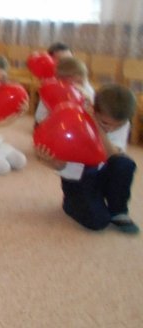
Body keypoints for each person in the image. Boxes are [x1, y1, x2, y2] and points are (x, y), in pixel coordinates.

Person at [35, 84, 138, 234]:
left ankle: (118, 211)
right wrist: (50, 161)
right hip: (79, 180)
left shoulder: (121, 122)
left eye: (118, 126)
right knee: (99, 222)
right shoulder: (77, 121)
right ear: (93, 110)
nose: (111, 129)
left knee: (125, 163)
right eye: (105, 123)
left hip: (103, 173)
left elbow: (113, 154)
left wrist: (98, 126)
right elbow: (63, 166)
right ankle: (71, 204)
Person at [34, 56, 95, 125]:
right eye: (74, 82)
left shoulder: (87, 89)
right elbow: (39, 117)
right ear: (60, 81)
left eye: (82, 82)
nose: (78, 86)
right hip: (54, 124)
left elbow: (93, 114)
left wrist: (88, 100)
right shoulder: (52, 90)